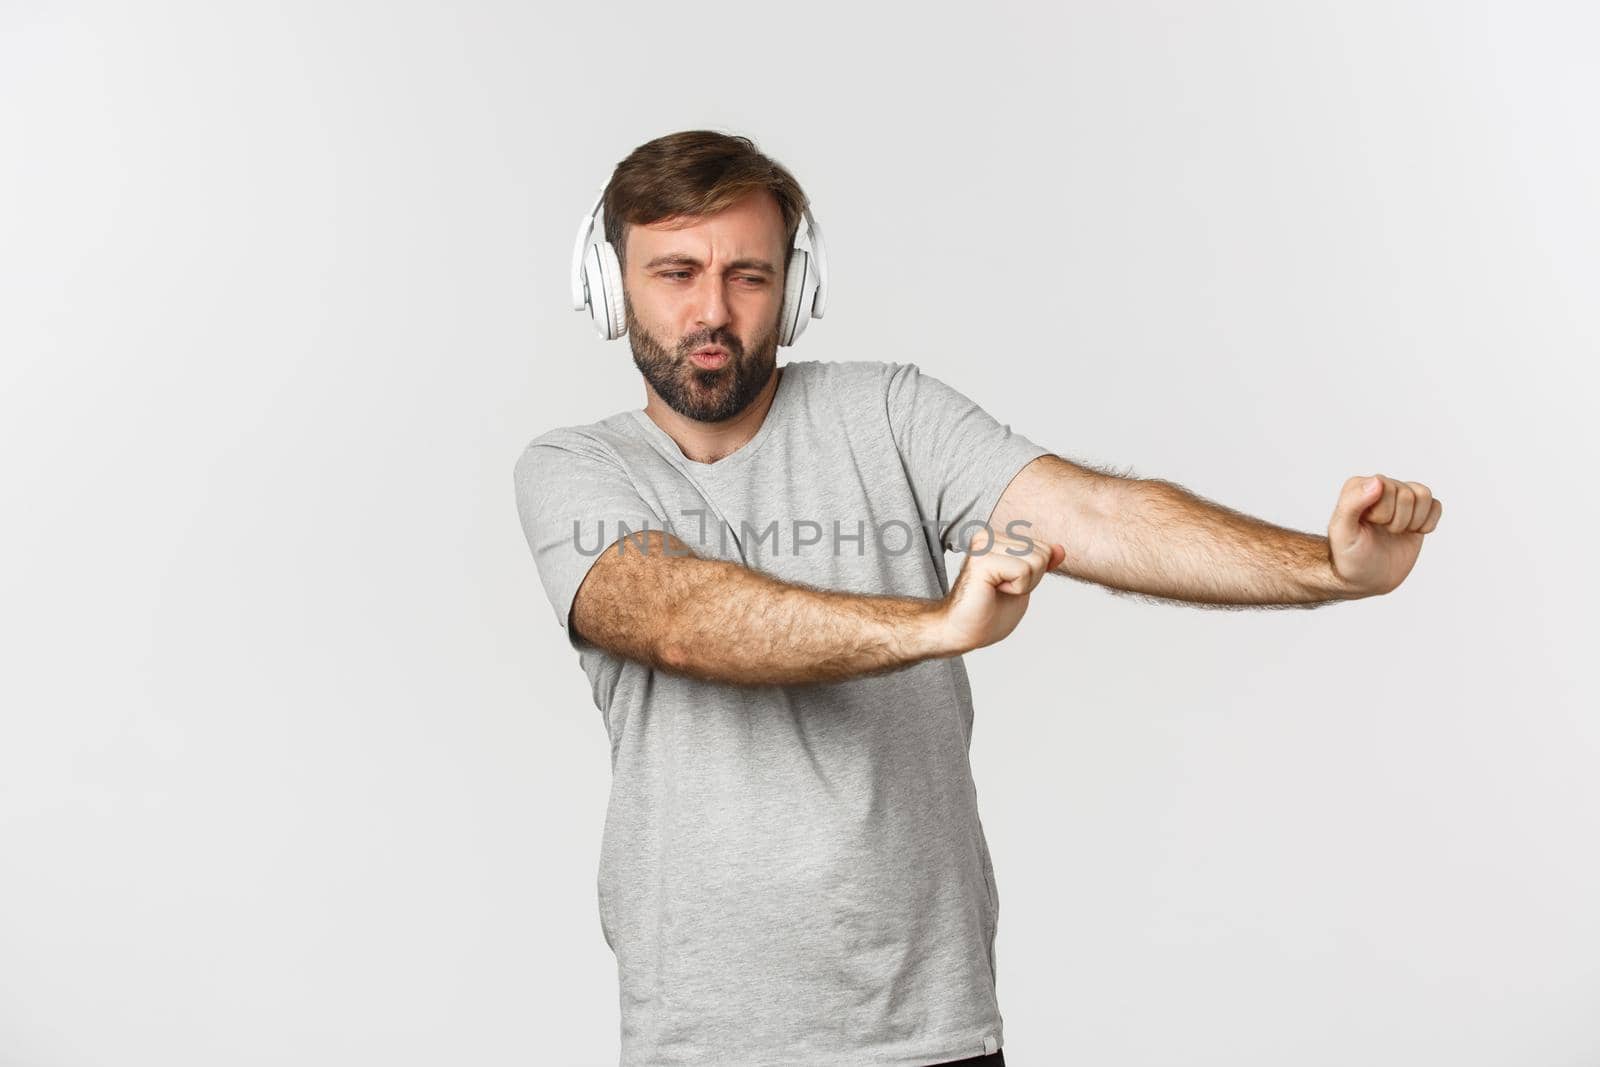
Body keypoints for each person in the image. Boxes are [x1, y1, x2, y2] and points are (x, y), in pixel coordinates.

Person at [513, 130, 1442, 1067]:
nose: (713, 309)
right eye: (676, 271)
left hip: (928, 1028)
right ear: (607, 281)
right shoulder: (573, 468)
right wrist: (935, 625)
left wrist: (1327, 568)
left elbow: (1093, 510)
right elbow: (678, 617)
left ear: (797, 287)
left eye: (749, 275)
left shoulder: (887, 413)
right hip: (702, 1041)